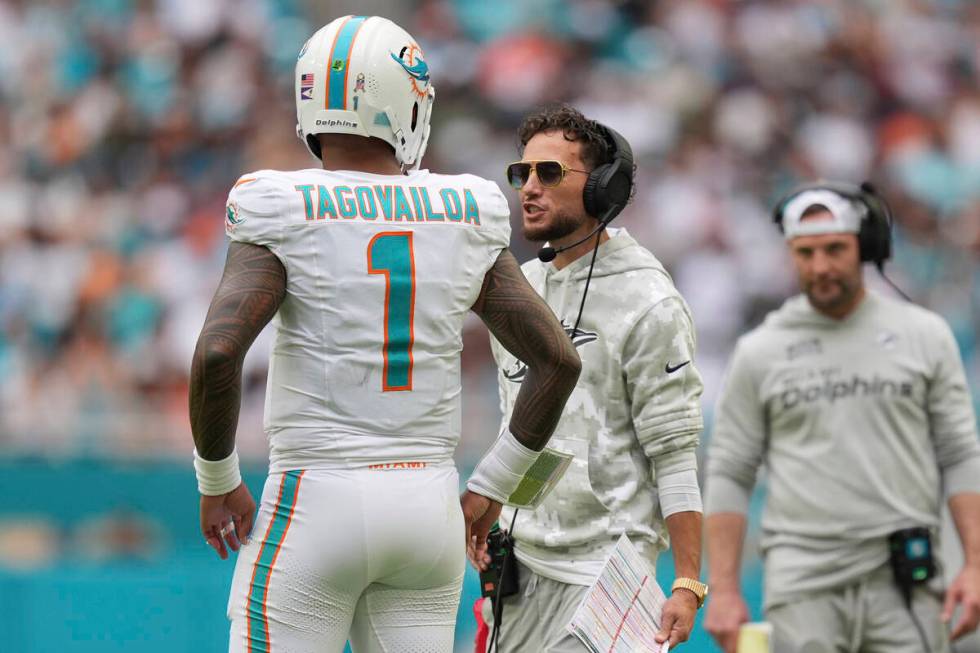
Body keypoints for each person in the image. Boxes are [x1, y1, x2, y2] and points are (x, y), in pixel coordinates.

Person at [188, 16, 581, 653]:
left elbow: (218, 350)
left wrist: (217, 481)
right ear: (406, 103)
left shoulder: (280, 202)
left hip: (314, 499)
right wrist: (492, 485)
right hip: (426, 506)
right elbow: (558, 362)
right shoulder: (464, 210)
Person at [703, 182, 980, 653]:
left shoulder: (924, 336)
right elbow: (730, 471)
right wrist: (724, 589)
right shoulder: (760, 351)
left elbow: (958, 455)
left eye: (835, 249)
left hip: (904, 581)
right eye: (805, 252)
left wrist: (974, 565)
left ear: (866, 248)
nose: (821, 266)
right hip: (802, 584)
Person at [473, 104, 708, 651]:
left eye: (549, 173)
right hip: (520, 572)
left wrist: (689, 584)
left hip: (611, 574)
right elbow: (525, 434)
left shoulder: (649, 300)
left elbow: (673, 455)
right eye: (521, 173)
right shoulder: (516, 290)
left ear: (604, 188)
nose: (528, 188)